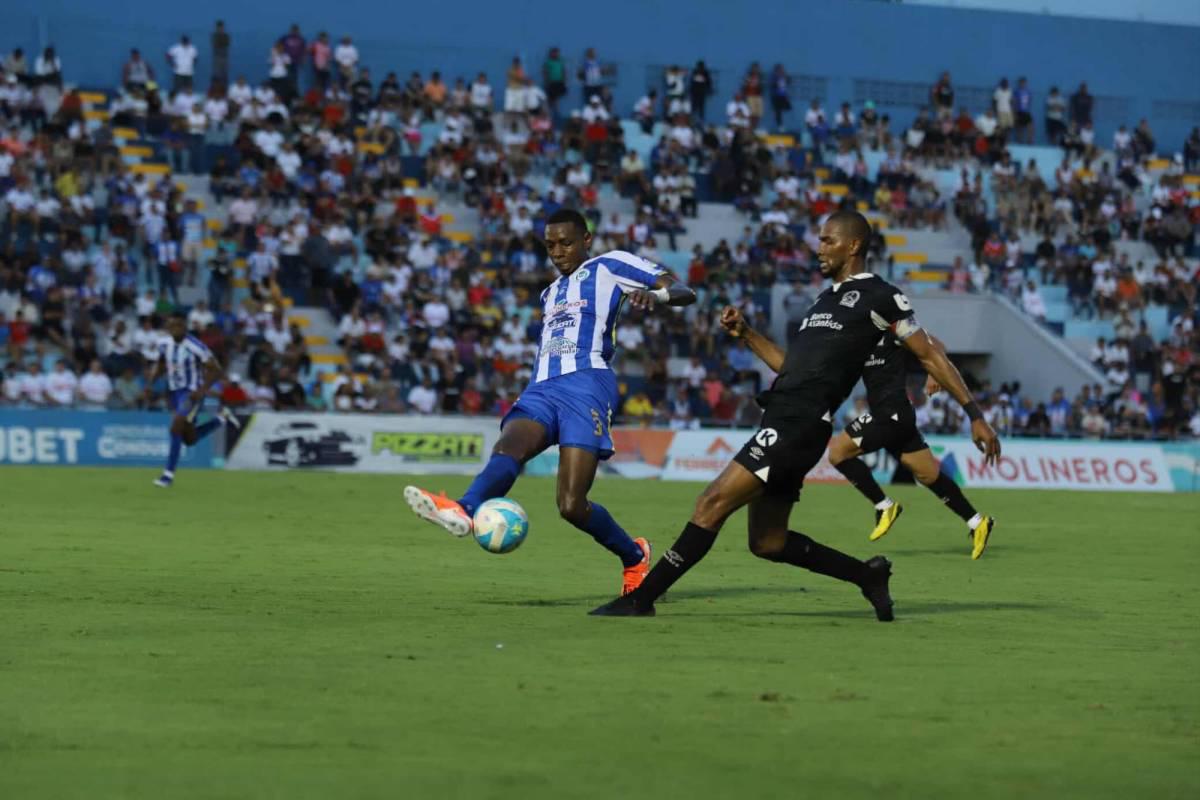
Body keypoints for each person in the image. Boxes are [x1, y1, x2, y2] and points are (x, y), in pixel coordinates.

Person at [591, 211, 1001, 619]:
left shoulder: (882, 296)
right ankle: (866, 576)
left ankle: (640, 600)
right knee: (767, 542)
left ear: (853, 245)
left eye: (828, 241)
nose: (819, 248)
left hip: (798, 423)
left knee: (711, 502)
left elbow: (930, 354)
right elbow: (790, 369)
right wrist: (748, 334)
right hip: (788, 419)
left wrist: (974, 414)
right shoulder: (823, 301)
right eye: (820, 241)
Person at [404, 209, 697, 595]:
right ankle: (465, 506)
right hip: (542, 386)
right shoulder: (549, 293)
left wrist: (653, 294)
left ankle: (633, 555)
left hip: (587, 384)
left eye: (566, 243)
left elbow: (684, 291)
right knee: (510, 446)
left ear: (587, 240)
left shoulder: (610, 266)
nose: (558, 252)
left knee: (572, 505)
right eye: (550, 245)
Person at [827, 333, 997, 559]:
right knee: (928, 475)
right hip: (895, 416)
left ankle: (884, 506)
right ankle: (977, 522)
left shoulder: (892, 328)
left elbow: (938, 344)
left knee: (837, 452)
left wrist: (930, 372)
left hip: (890, 413)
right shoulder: (859, 335)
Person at [146, 312, 241, 488]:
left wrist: (202, 390)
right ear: (168, 328)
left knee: (176, 425)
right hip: (174, 392)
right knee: (189, 439)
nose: (175, 330)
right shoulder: (163, 344)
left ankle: (167, 476)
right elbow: (161, 363)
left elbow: (216, 370)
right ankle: (222, 419)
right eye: (172, 326)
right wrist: (151, 382)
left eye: (179, 326)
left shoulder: (197, 347)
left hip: (191, 393)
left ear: (185, 327)